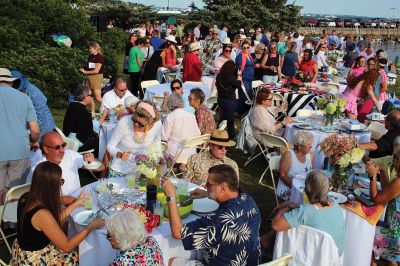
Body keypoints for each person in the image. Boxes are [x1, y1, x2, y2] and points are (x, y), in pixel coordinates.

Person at [163, 164, 261, 266]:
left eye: (209, 184)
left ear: (223, 187)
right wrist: (207, 193)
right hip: (250, 262)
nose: (205, 186)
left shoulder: (217, 221)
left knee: (171, 261)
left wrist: (171, 196)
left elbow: (178, 233)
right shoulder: (248, 200)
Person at [11, 161, 104, 265]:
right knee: (85, 257)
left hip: (23, 251)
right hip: (36, 259)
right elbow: (67, 247)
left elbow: (51, 224)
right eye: (60, 182)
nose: (60, 186)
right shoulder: (42, 214)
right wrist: (91, 226)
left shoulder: (26, 197)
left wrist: (75, 203)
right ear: (50, 186)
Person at [263, 170, 345, 257]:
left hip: (313, 256)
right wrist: (296, 206)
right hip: (333, 256)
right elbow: (314, 213)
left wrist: (285, 208)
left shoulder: (306, 211)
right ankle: (266, 241)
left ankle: (267, 243)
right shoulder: (335, 204)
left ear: (307, 189)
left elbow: (276, 225)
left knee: (287, 223)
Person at [0, 68, 39, 204]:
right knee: (14, 191)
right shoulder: (24, 98)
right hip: (20, 150)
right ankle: (11, 221)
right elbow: (34, 130)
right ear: (10, 83)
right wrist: (33, 141)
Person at [32, 132, 99, 195]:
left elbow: (101, 167)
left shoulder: (70, 154)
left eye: (63, 145)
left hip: (78, 200)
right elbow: (44, 198)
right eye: (57, 147)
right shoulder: (38, 169)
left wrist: (91, 159)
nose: (62, 150)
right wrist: (75, 201)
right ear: (46, 149)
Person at [365, 146, 400, 265]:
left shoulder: (399, 182)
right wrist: (384, 171)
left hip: (394, 229)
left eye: (395, 157)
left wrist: (373, 176)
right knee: (391, 259)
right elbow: (387, 191)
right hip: (395, 224)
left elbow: (375, 199)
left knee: (366, 234)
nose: (392, 160)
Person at [107, 101, 161, 169]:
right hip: (120, 167)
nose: (135, 124)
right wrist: (120, 154)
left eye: (140, 124)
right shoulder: (124, 122)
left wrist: (157, 157)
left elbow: (157, 141)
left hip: (143, 168)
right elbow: (110, 146)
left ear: (150, 122)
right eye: (134, 120)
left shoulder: (157, 124)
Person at [161, 93, 201, 172]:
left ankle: (169, 169)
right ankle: (181, 166)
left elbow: (164, 137)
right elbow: (198, 134)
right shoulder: (191, 115)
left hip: (175, 153)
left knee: (160, 145)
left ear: (170, 104)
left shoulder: (170, 116)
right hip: (191, 152)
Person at [11, 71, 55, 140]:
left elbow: (40, 117)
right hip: (31, 127)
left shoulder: (35, 94)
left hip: (44, 129)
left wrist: (32, 134)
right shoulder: (20, 92)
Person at [277, 131, 314, 201]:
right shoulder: (288, 155)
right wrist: (296, 189)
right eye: (308, 144)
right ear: (300, 146)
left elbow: (311, 174)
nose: (311, 147)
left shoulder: (310, 156)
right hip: (289, 187)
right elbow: (283, 175)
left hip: (304, 187)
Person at [63, 85, 99, 156]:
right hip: (77, 144)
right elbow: (93, 128)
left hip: (68, 138)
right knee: (97, 138)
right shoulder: (82, 112)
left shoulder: (72, 106)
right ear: (85, 97)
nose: (92, 97)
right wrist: (93, 108)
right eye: (91, 95)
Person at [216, 61, 242, 139]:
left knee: (224, 118)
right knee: (229, 120)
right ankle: (230, 135)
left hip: (220, 100)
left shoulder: (219, 76)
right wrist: (239, 75)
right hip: (229, 101)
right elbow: (238, 84)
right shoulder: (230, 78)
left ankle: (220, 132)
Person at [79, 42, 104, 114]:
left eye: (90, 48)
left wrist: (85, 72)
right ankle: (92, 111)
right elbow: (90, 67)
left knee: (98, 97)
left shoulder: (99, 57)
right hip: (89, 76)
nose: (89, 49)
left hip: (96, 77)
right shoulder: (90, 56)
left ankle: (111, 108)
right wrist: (84, 69)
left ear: (95, 48)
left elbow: (96, 70)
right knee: (89, 95)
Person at [235, 40, 255, 114]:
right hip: (244, 79)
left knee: (249, 95)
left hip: (251, 79)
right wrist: (240, 80)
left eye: (247, 47)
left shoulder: (249, 55)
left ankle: (245, 111)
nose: (246, 49)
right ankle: (238, 112)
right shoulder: (240, 57)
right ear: (242, 48)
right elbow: (239, 70)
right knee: (243, 95)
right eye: (244, 47)